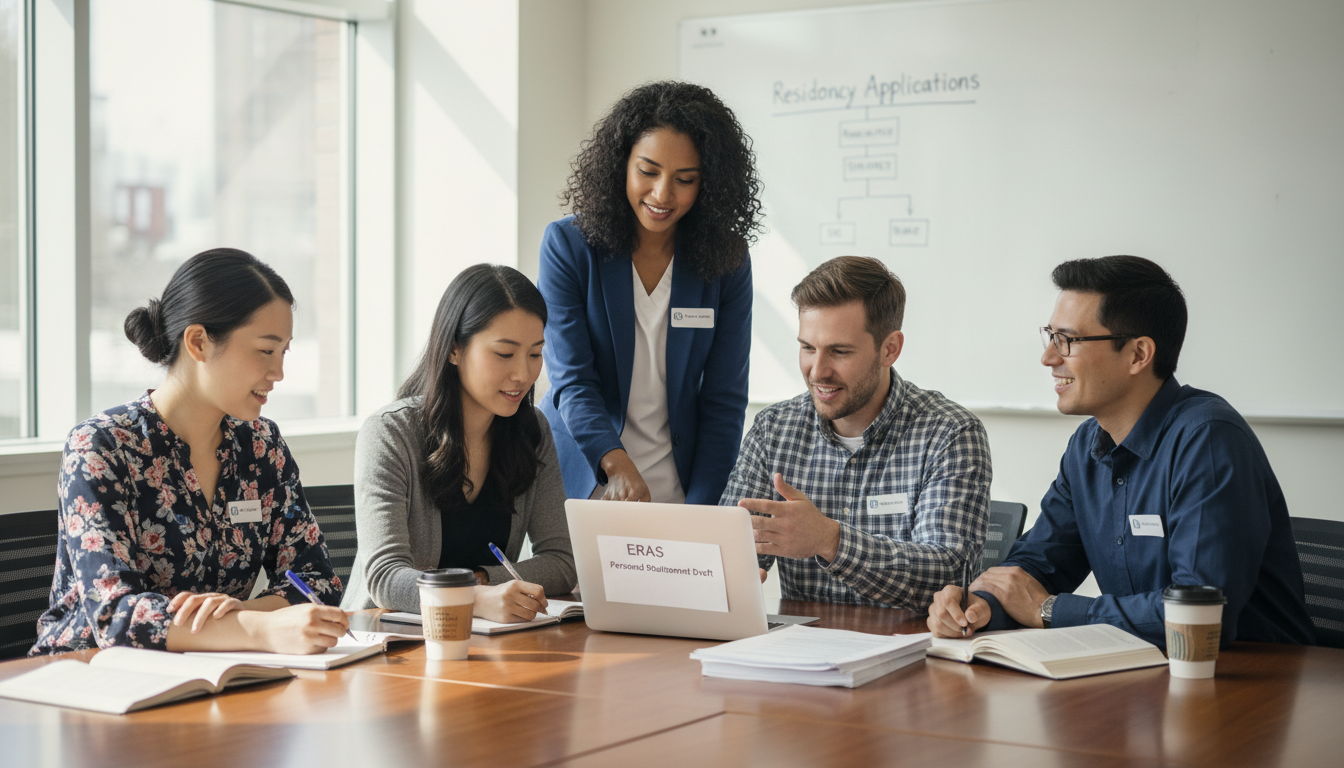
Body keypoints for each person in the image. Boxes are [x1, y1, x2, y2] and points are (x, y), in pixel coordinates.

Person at [927, 256, 1314, 647]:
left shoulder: (1208, 440)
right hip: (1144, 674)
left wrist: (1050, 611)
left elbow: (1199, 612)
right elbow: (1038, 564)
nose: (1048, 357)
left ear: (1138, 355)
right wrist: (979, 605)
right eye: (1051, 336)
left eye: (1068, 340)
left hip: (1255, 680)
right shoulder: (1087, 444)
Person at [31, 248, 347, 656]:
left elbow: (317, 580)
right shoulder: (100, 446)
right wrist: (256, 629)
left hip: (214, 670)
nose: (279, 373)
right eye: (266, 350)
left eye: (284, 351)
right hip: (87, 679)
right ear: (198, 342)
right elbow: (115, 615)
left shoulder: (262, 446)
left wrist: (240, 619)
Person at [538, 80, 764, 505]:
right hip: (589, 475)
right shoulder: (569, 246)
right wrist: (616, 465)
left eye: (685, 179)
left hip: (682, 485)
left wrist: (701, 509)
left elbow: (724, 400)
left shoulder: (726, 260)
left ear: (707, 184)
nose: (662, 194)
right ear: (621, 163)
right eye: (648, 171)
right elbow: (572, 380)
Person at [721, 256, 991, 609]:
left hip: (911, 652)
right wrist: (729, 572)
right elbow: (728, 550)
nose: (817, 371)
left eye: (839, 351)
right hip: (800, 652)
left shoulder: (950, 434)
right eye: (807, 348)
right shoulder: (774, 430)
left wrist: (830, 540)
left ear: (889, 349)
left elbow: (948, 576)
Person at [341, 265, 575, 624]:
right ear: (454, 350)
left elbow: (562, 560)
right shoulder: (390, 433)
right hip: (389, 642)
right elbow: (385, 577)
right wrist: (474, 597)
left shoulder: (532, 431)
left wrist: (481, 580)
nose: (524, 375)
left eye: (534, 354)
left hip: (486, 639)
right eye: (504, 354)